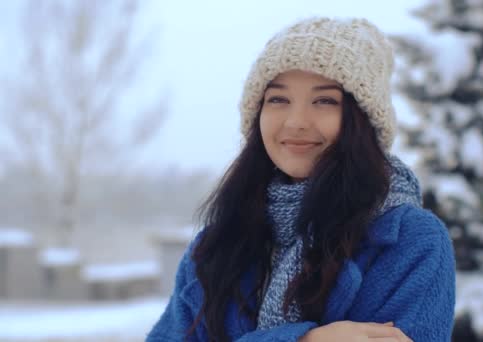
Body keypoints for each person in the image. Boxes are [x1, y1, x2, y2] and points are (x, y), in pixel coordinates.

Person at [146, 17, 455, 342]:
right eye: (278, 99)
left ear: (362, 120)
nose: (296, 122)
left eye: (324, 101)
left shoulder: (411, 240)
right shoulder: (215, 245)